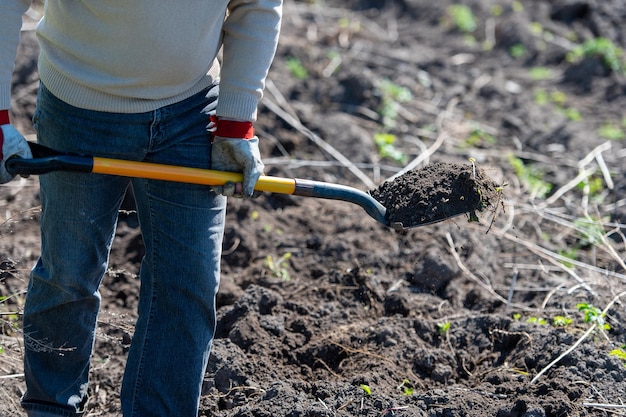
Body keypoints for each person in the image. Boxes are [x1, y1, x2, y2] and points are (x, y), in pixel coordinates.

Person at [0, 0, 283, 415]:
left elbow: (257, 4)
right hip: (80, 108)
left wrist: (236, 123)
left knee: (187, 281)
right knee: (69, 271)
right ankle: (51, 409)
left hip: (191, 112)